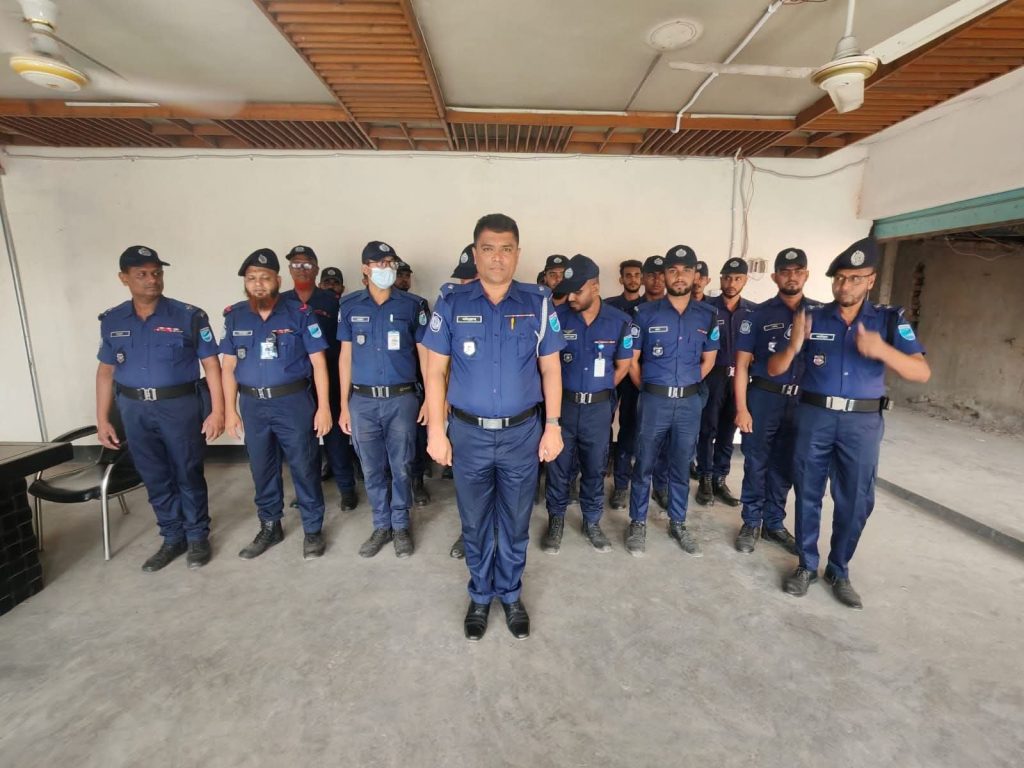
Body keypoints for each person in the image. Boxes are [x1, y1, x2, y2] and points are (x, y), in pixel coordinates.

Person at [424, 213, 565, 641]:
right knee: (475, 522)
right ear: (475, 253)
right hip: (468, 434)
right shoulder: (452, 302)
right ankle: (481, 596)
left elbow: (551, 370)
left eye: (506, 249)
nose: (497, 258)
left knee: (517, 521)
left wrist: (553, 426)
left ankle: (511, 593)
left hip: (522, 433)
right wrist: (435, 431)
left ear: (518, 253)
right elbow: (435, 372)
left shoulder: (538, 303)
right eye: (488, 249)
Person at [769, 237, 929, 609]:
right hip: (815, 417)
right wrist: (793, 346)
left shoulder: (889, 320)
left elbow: (921, 372)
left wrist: (882, 349)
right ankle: (806, 565)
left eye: (855, 278)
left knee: (856, 499)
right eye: (840, 278)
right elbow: (775, 369)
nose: (845, 285)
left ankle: (839, 569)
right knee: (808, 492)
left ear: (870, 280)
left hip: (862, 423)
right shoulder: (810, 316)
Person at [95, 245, 223, 572]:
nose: (152, 280)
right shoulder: (112, 320)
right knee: (154, 474)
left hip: (179, 406)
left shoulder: (188, 316)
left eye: (157, 273)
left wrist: (218, 411)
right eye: (142, 274)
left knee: (187, 471)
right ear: (124, 278)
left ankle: (197, 536)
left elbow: (212, 365)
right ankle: (172, 536)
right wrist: (102, 419)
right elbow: (106, 371)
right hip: (134, 409)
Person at [220, 248, 334, 560]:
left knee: (304, 466)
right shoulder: (235, 316)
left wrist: (324, 407)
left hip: (293, 402)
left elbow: (319, 363)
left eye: (265, 278)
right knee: (262, 468)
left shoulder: (299, 313)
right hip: (253, 405)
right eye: (251, 278)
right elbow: (228, 367)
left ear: (278, 281)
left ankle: (312, 530)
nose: (258, 284)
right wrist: (230, 411)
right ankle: (270, 526)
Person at [338, 241, 429, 559]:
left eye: (390, 262)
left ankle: (401, 525)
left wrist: (430, 399)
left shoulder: (412, 305)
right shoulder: (350, 306)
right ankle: (381, 525)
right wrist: (343, 405)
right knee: (371, 468)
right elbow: (345, 357)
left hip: (401, 399)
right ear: (365, 268)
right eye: (379, 263)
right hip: (362, 401)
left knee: (402, 466)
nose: (386, 268)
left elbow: (425, 354)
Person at [626, 245, 718, 556]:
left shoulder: (708, 315)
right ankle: (637, 522)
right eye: (673, 270)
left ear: (696, 275)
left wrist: (685, 387)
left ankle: (678, 522)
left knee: (681, 465)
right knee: (644, 463)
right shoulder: (644, 313)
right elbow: (633, 361)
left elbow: (709, 360)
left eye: (686, 270)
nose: (679, 276)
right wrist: (651, 389)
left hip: (689, 403)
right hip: (655, 400)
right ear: (664, 275)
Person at [541, 254, 632, 554]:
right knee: (558, 466)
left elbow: (622, 365)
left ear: (595, 286)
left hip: (597, 409)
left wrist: (598, 391)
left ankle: (592, 521)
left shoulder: (619, 322)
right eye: (568, 291)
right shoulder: (558, 318)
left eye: (577, 291)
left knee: (595, 467)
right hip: (563, 407)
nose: (571, 298)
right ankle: (556, 519)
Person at [733, 248, 820, 555]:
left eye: (798, 271)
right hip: (764, 396)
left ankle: (773, 523)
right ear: (774, 277)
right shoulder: (757, 316)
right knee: (756, 462)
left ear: (806, 275)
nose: (791, 277)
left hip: (802, 402)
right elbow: (741, 366)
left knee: (786, 463)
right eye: (785, 271)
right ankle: (751, 522)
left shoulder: (822, 315)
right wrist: (742, 409)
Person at [281, 245, 358, 511]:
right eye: (295, 265)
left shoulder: (331, 301)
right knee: (302, 443)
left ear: (315, 269)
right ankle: (307, 491)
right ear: (289, 269)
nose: (301, 269)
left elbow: (344, 343)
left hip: (330, 379)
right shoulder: (282, 302)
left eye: (306, 265)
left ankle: (347, 489)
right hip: (296, 384)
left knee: (336, 439)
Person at [609, 254, 669, 511]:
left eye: (661, 274)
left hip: (664, 384)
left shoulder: (674, 309)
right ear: (644, 279)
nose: (656, 280)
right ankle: (621, 486)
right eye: (651, 275)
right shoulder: (636, 310)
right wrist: (641, 385)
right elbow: (630, 354)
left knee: (663, 438)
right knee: (629, 432)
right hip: (634, 381)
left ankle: (661, 486)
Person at [695, 258, 756, 507]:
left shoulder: (753, 312)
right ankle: (705, 478)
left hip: (740, 378)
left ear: (745, 280)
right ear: (720, 279)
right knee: (706, 428)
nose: (732, 283)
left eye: (737, 278)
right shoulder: (706, 309)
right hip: (713, 375)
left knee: (728, 431)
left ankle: (720, 478)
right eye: (728, 278)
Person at [446, 244, 478, 560]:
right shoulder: (451, 307)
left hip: (508, 421)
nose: (465, 285)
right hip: (465, 418)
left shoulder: (520, 308)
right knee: (469, 487)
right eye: (463, 279)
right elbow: (439, 367)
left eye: (471, 279)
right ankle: (469, 535)